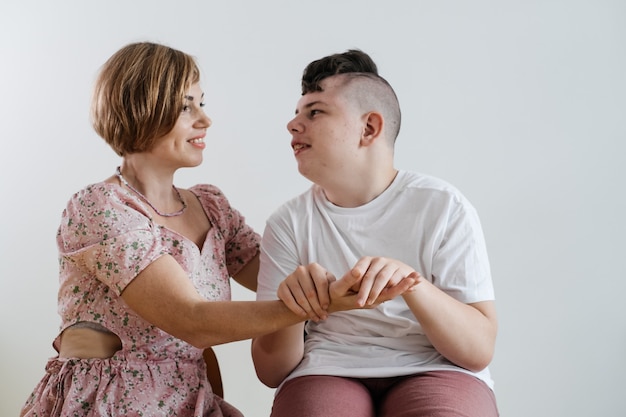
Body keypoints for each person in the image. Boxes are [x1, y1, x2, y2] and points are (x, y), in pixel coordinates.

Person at [20, 42, 416, 417]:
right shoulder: (99, 207)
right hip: (107, 402)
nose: (204, 119)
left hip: (192, 401)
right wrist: (320, 302)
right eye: (185, 106)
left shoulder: (212, 208)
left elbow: (284, 273)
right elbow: (192, 320)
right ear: (142, 107)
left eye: (201, 103)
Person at [251, 49, 499, 417]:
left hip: (436, 366)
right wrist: (292, 309)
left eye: (315, 111)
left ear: (369, 128)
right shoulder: (287, 223)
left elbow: (478, 350)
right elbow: (272, 372)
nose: (292, 124)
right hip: (327, 368)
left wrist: (412, 285)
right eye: (296, 113)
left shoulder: (444, 206)